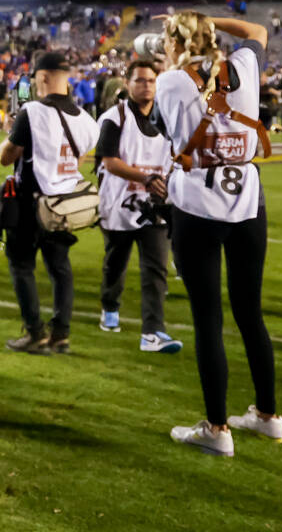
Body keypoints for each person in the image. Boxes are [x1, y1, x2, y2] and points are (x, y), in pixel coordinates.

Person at [153, 12, 282, 456]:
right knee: (250, 313)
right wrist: (211, 19)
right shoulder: (244, 66)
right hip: (248, 198)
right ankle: (269, 417)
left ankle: (217, 428)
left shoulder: (171, 81)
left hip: (198, 202)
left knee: (208, 318)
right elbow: (257, 32)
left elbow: (164, 134)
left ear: (174, 42)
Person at [0, 51, 99, 355]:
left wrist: (9, 134)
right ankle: (61, 334)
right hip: (65, 204)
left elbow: (7, 156)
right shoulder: (85, 119)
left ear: (42, 77)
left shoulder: (32, 112)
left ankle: (35, 333)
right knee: (60, 268)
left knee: (22, 266)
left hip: (31, 203)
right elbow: (79, 157)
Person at [94, 60, 182, 353]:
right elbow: (109, 160)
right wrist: (147, 177)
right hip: (118, 204)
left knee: (156, 269)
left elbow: (176, 158)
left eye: (151, 81)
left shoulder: (168, 120)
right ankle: (109, 306)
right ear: (127, 84)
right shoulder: (113, 117)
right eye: (140, 80)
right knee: (115, 264)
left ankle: (153, 332)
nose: (146, 86)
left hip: (154, 207)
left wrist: (168, 184)